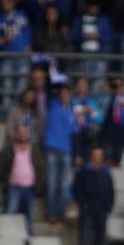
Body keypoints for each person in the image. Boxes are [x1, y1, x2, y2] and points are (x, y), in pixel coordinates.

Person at [73, 146, 115, 245]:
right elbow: (77, 189)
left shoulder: (106, 172)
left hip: (102, 210)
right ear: (92, 156)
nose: (98, 157)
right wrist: (83, 204)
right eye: (96, 154)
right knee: (84, 238)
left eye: (100, 155)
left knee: (101, 239)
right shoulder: (84, 171)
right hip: (88, 209)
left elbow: (111, 191)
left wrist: (108, 206)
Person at [0, 124, 45, 237]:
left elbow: (40, 168)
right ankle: (6, 237)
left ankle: (29, 241)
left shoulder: (34, 150)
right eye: (20, 132)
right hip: (14, 187)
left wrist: (39, 184)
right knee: (10, 213)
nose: (23, 135)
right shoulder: (9, 149)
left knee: (29, 217)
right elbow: (1, 166)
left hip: (30, 188)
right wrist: (5, 181)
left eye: (25, 132)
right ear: (16, 134)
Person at [43, 84, 78, 224]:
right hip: (52, 147)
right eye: (62, 93)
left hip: (66, 150)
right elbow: (48, 90)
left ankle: (60, 212)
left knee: (63, 184)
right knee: (52, 182)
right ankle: (50, 211)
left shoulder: (71, 112)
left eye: (67, 93)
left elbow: (74, 132)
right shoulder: (53, 104)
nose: (65, 96)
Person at [99, 78, 124, 166]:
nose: (118, 88)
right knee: (106, 161)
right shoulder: (107, 98)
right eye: (114, 86)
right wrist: (104, 92)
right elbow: (99, 109)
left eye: (120, 85)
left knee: (117, 162)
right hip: (107, 136)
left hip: (121, 136)